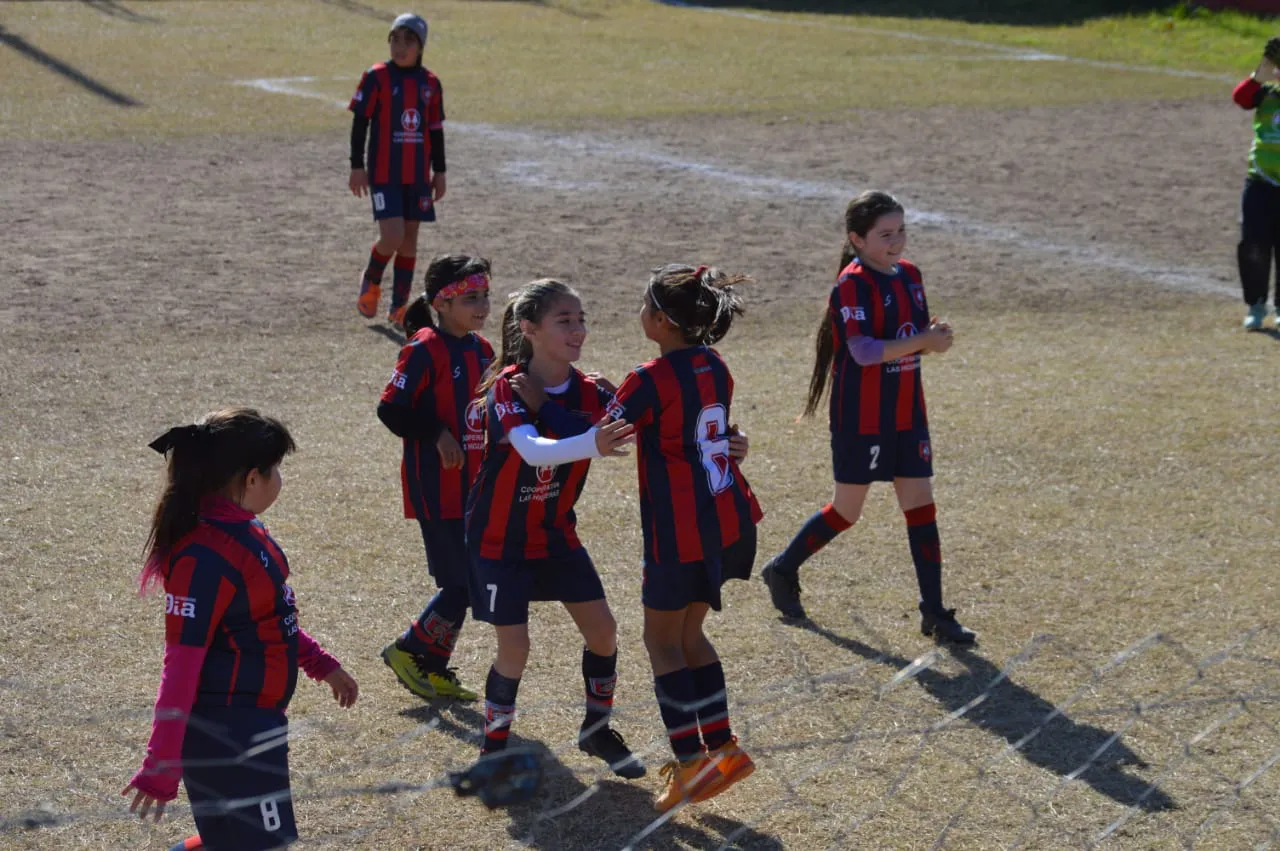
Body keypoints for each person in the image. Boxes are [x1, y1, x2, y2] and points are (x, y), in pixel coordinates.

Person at [122, 408, 358, 851]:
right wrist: (161, 761)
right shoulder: (202, 558)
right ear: (251, 479)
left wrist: (319, 664)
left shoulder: (246, 531)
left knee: (238, 842)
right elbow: (181, 667)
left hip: (255, 724)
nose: (280, 481)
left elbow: (266, 618)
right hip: (226, 735)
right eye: (277, 471)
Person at [759, 191, 976, 645]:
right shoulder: (852, 284)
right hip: (862, 417)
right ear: (857, 239)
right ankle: (782, 568)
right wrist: (923, 339)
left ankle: (935, 611)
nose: (896, 242)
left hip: (907, 412)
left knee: (920, 503)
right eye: (885, 235)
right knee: (847, 511)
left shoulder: (911, 276)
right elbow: (863, 351)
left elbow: (909, 339)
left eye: (900, 231)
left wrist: (932, 339)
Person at [464, 279, 645, 780]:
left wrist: (729, 442)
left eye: (581, 319)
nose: (578, 330)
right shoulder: (509, 385)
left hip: (556, 535)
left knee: (604, 632)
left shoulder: (593, 391)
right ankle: (493, 749)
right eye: (564, 321)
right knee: (515, 648)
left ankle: (596, 730)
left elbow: (648, 430)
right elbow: (534, 451)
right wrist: (593, 442)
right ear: (530, 330)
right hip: (500, 541)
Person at [602, 264, 761, 812]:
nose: (640, 312)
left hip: (679, 532)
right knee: (690, 636)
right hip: (724, 520)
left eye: (645, 305)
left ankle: (692, 763)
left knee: (662, 642)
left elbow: (606, 427)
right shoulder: (715, 365)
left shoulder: (648, 377)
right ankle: (724, 750)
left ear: (663, 321)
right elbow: (711, 427)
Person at [377, 255, 493, 701]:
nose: (481, 305)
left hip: (475, 489)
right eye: (469, 298)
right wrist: (437, 432)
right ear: (441, 304)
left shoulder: (482, 350)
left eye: (483, 295)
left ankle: (431, 663)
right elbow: (391, 409)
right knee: (460, 582)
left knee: (469, 581)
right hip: (437, 488)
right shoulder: (423, 348)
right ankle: (409, 651)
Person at [348, 13, 447, 327]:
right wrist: (357, 166)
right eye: (395, 39)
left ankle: (399, 308)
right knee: (392, 235)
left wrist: (440, 172)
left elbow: (435, 130)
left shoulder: (430, 83)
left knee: (409, 240)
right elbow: (360, 123)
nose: (400, 47)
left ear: (421, 46)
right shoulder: (377, 77)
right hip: (384, 174)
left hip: (417, 176)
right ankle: (372, 279)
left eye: (409, 41)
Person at [1232, 37, 1280, 331]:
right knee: (1253, 244)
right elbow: (1240, 98)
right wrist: (1260, 73)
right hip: (1261, 181)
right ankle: (1256, 304)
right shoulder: (1266, 93)